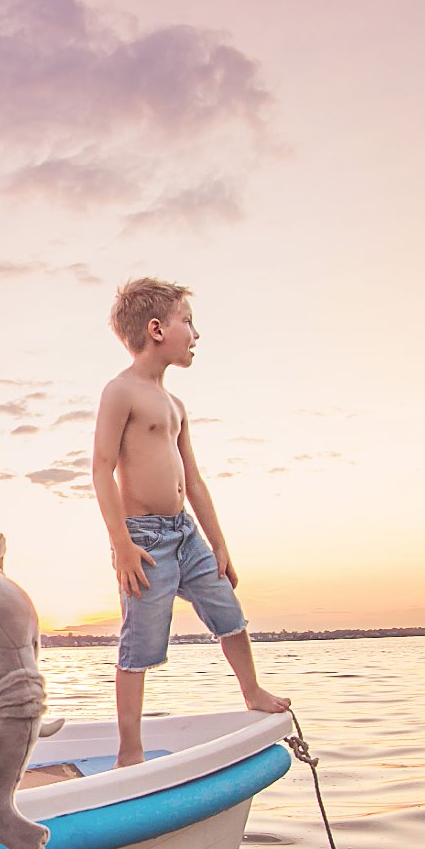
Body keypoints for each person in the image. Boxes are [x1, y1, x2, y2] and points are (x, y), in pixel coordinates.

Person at [91, 278, 289, 765]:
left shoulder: (176, 406)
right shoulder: (121, 392)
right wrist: (121, 543)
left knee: (229, 613)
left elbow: (194, 482)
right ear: (157, 329)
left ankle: (252, 691)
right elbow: (100, 468)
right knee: (140, 639)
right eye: (188, 322)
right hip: (145, 538)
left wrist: (219, 544)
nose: (196, 334)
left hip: (185, 533)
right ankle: (130, 749)